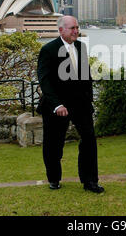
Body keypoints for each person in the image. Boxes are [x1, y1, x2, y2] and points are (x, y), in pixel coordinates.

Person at [37, 15, 104, 193]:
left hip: (81, 105)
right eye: (72, 28)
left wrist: (89, 100)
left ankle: (90, 181)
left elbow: (85, 77)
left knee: (89, 140)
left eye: (77, 27)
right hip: (56, 106)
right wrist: (57, 105)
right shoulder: (48, 50)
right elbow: (45, 81)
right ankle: (54, 178)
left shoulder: (81, 47)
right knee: (54, 146)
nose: (76, 31)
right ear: (61, 30)